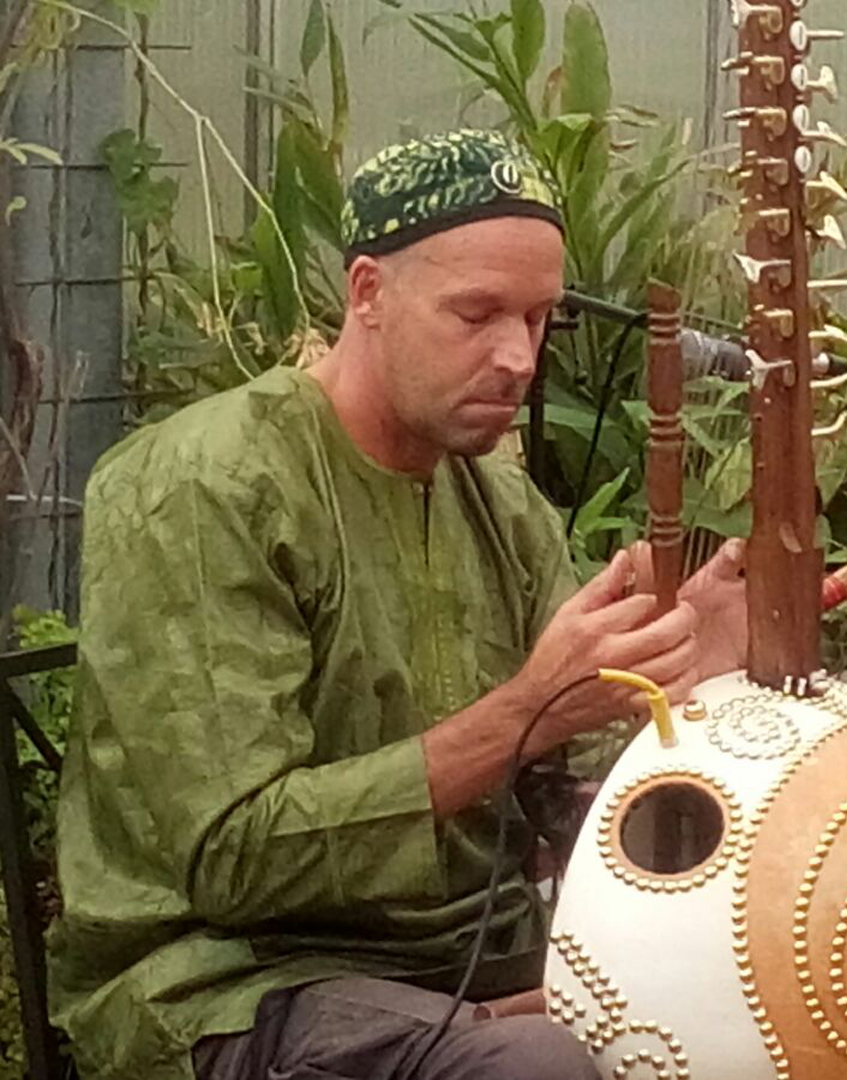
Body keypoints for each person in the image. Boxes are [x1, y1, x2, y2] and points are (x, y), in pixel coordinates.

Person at [48, 129, 747, 1080]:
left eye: (539, 319)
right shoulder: (206, 486)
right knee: (534, 1069)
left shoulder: (501, 503)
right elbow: (233, 861)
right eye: (478, 314)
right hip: (231, 986)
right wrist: (523, 709)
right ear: (367, 293)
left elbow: (570, 793)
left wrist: (692, 697)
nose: (518, 358)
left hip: (468, 972)